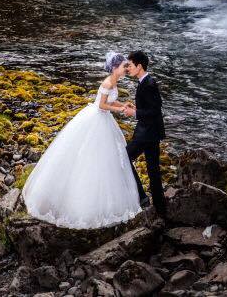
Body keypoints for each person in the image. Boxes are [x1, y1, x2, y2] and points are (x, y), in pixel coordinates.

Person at [22, 53, 141, 229]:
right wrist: (119, 110)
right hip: (98, 120)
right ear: (115, 68)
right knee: (91, 156)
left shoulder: (114, 81)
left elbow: (111, 100)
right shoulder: (108, 82)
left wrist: (123, 105)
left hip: (105, 121)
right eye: (123, 66)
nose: (125, 69)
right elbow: (101, 105)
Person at [123, 50, 166, 216]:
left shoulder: (148, 83)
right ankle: (160, 209)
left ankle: (142, 197)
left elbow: (155, 110)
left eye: (130, 65)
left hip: (146, 134)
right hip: (151, 133)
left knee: (124, 158)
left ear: (139, 66)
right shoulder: (146, 81)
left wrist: (134, 114)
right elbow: (150, 108)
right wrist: (137, 110)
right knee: (153, 170)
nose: (128, 69)